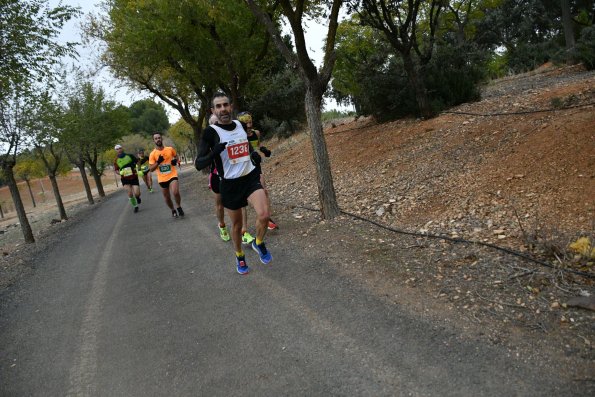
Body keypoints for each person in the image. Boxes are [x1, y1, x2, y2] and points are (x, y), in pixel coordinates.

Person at [195, 93, 271, 275]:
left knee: (264, 214)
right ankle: (239, 255)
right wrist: (215, 152)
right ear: (213, 111)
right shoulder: (210, 133)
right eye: (218, 106)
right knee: (236, 226)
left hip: (249, 177)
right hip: (229, 184)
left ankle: (258, 242)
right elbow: (199, 164)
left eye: (226, 105)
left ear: (231, 106)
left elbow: (246, 145)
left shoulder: (240, 125)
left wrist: (252, 154)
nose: (223, 109)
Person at [236, 111, 278, 231]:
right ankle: (243, 229)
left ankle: (267, 219)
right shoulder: (239, 136)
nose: (249, 124)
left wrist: (263, 150)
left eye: (250, 121)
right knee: (243, 199)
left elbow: (258, 145)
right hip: (244, 168)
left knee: (264, 191)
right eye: (246, 122)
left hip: (256, 166)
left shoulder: (256, 133)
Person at [148, 132, 184, 217]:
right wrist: (158, 162)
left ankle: (178, 207)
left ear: (162, 139)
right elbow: (151, 169)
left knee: (175, 192)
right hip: (162, 178)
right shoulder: (152, 154)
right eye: (156, 138)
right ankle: (173, 209)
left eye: (159, 138)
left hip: (172, 174)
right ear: (154, 141)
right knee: (167, 198)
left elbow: (176, 157)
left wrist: (175, 161)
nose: (158, 139)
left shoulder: (170, 149)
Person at [113, 144, 141, 213]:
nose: (119, 150)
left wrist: (139, 169)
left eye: (120, 148)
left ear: (122, 149)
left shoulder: (130, 156)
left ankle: (137, 197)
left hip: (133, 177)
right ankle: (135, 206)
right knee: (130, 193)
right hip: (125, 179)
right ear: (116, 151)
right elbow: (116, 170)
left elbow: (138, 162)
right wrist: (120, 173)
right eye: (117, 149)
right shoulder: (116, 160)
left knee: (137, 193)